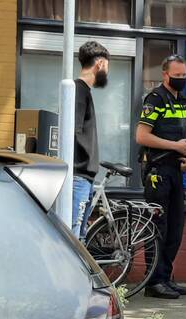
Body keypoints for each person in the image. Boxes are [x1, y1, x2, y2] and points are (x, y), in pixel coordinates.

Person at [135, 54, 186, 299]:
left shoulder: (183, 102)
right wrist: (174, 147)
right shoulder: (155, 99)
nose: (181, 79)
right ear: (165, 74)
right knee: (158, 228)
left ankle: (165, 276)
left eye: (184, 76)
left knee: (175, 229)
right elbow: (142, 136)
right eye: (176, 76)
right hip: (157, 173)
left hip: (176, 171)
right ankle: (154, 282)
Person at [71, 41, 109, 239]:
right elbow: (72, 131)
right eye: (108, 67)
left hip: (83, 177)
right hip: (78, 176)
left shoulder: (82, 91)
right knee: (74, 236)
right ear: (100, 64)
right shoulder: (78, 91)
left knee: (80, 236)